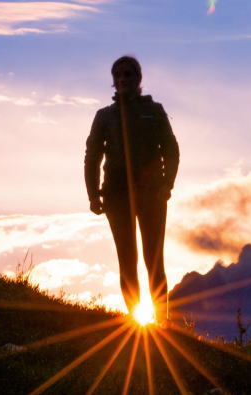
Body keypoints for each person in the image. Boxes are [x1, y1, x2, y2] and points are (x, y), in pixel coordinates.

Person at [84, 55, 179, 324]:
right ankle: (135, 323)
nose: (123, 79)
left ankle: (162, 325)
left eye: (128, 74)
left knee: (154, 261)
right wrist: (93, 195)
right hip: (116, 197)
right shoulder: (104, 116)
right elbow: (92, 157)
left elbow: (171, 151)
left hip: (152, 196)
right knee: (127, 262)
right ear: (113, 81)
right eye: (118, 75)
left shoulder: (155, 111)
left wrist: (166, 184)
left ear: (138, 79)